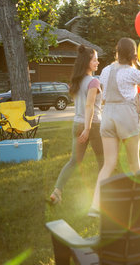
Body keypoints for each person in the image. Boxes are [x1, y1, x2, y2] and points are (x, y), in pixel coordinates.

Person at [89, 38, 140, 216]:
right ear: (132, 53)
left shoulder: (106, 70)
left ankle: (95, 205)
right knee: (134, 163)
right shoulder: (133, 72)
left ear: (117, 52)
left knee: (109, 164)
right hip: (125, 115)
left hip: (107, 115)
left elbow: (103, 94)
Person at [49, 45, 103, 205]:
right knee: (103, 161)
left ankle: (56, 192)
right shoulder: (94, 82)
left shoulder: (77, 82)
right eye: (94, 60)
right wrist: (87, 129)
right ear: (87, 62)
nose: (97, 62)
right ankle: (100, 197)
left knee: (74, 161)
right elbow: (89, 106)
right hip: (92, 125)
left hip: (76, 124)